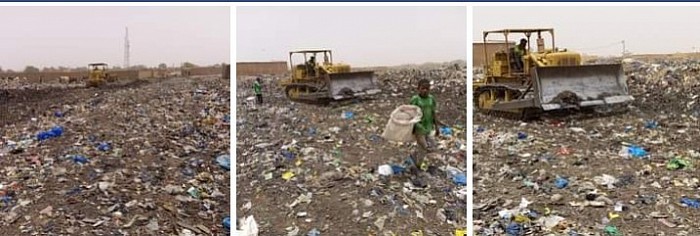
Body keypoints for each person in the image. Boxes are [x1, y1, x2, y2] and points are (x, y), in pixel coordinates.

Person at [408, 78, 444, 174]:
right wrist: (413, 126)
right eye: (423, 88)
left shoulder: (431, 99)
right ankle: (418, 166)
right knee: (425, 147)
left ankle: (417, 162)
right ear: (418, 89)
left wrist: (437, 127)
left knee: (427, 148)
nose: (425, 90)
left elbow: (433, 113)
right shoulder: (415, 99)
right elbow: (411, 114)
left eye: (427, 88)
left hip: (428, 126)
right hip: (419, 127)